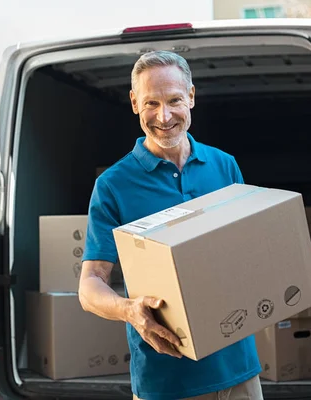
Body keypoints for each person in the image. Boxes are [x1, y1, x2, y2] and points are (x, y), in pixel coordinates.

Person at [79, 50, 263, 400]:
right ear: (134, 103)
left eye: (174, 100)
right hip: (167, 381)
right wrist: (129, 310)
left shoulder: (224, 167)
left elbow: (247, 254)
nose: (164, 117)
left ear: (191, 97)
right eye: (151, 103)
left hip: (238, 370)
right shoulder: (114, 185)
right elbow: (89, 287)